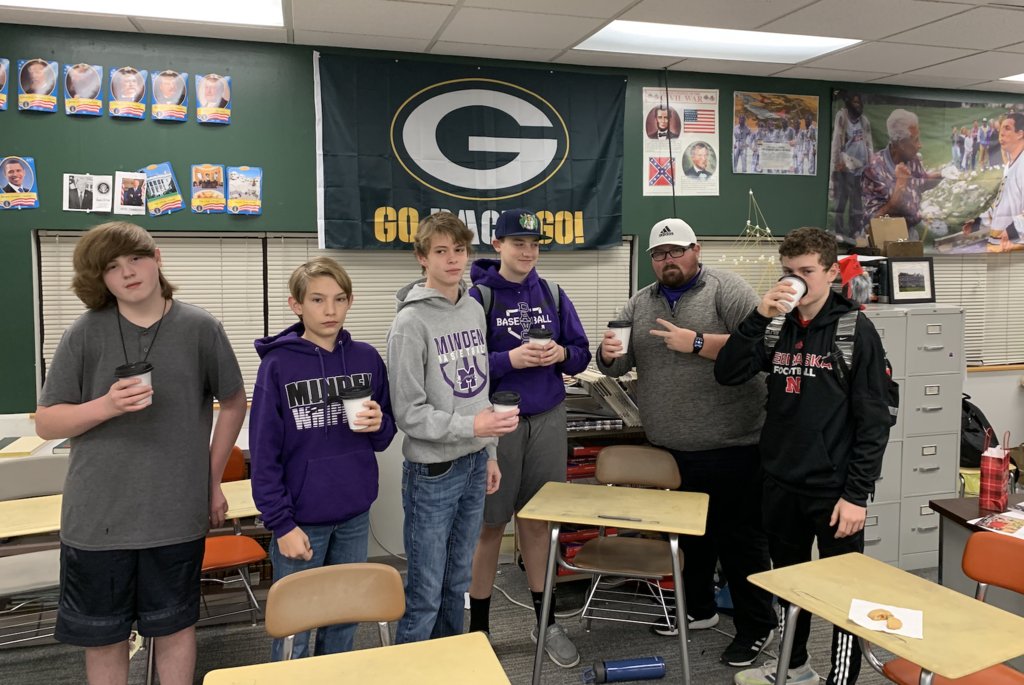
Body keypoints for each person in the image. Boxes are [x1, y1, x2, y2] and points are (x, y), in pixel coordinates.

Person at [34, 221, 247, 685]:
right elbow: (48, 420)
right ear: (101, 279)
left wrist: (210, 482)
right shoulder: (84, 333)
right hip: (97, 520)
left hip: (174, 513)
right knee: (105, 640)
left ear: (157, 257)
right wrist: (106, 405)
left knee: (174, 629)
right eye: (112, 267)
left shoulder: (199, 327)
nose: (127, 273)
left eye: (135, 258)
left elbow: (234, 402)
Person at [597, 218, 777, 669]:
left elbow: (762, 347)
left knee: (740, 542)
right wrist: (606, 356)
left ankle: (758, 627)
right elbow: (615, 369)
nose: (667, 260)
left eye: (676, 251)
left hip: (735, 443)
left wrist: (695, 341)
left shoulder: (726, 289)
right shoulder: (640, 302)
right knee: (690, 539)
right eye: (659, 254)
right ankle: (698, 610)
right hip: (673, 449)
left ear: (696, 249)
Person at [716, 227, 891, 685]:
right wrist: (757, 315)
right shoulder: (775, 325)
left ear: (832, 273)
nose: (796, 281)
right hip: (780, 481)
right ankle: (794, 669)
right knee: (791, 583)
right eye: (788, 272)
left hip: (835, 492)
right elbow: (728, 372)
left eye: (807, 272)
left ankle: (841, 679)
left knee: (842, 593)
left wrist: (857, 495)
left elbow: (875, 421)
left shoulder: (855, 330)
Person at [250, 257, 396, 660]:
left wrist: (378, 423)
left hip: (353, 513)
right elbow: (263, 456)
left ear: (350, 302)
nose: (329, 310)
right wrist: (281, 524)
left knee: (344, 616)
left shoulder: (366, 358)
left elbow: (384, 437)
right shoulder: (277, 365)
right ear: (296, 305)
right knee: (294, 625)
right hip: (300, 521)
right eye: (317, 299)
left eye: (339, 299)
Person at [466, 209, 592, 668]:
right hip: (498, 423)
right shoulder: (477, 298)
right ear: (497, 245)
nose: (527, 251)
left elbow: (581, 354)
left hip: (548, 417)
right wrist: (509, 360)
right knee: (490, 527)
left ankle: (547, 622)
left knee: (538, 524)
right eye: (517, 242)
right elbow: (464, 367)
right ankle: (478, 629)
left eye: (534, 243)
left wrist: (561, 353)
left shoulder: (554, 293)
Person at [386, 211, 519, 644]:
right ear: (421, 258)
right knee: (425, 591)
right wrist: (472, 426)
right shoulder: (410, 323)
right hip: (433, 473)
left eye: (459, 250)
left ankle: (447, 665)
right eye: (440, 251)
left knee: (456, 585)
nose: (452, 259)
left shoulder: (474, 307)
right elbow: (408, 413)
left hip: (475, 462)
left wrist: (489, 451)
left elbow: (477, 392)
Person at [861, 109, 941, 239]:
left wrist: (941, 175)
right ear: (902, 144)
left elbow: (920, 181)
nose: (920, 145)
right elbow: (870, 220)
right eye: (915, 140)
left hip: (911, 235)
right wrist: (900, 187)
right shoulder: (874, 168)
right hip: (884, 237)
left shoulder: (913, 160)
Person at [963, 112, 1024, 248]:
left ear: (1020, 134)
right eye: (1001, 128)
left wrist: (1013, 230)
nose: (1001, 133)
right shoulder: (1009, 165)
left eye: (1007, 128)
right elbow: (1001, 204)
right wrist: (978, 222)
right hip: (999, 245)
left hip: (1014, 248)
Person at [830, 92, 874, 242]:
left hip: (860, 168)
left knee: (857, 204)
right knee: (840, 202)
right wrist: (837, 161)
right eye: (855, 102)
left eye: (859, 102)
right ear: (848, 103)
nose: (858, 105)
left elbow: (869, 143)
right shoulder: (842, 117)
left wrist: (871, 163)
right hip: (844, 166)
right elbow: (837, 138)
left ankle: (854, 231)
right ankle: (839, 231)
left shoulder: (864, 121)